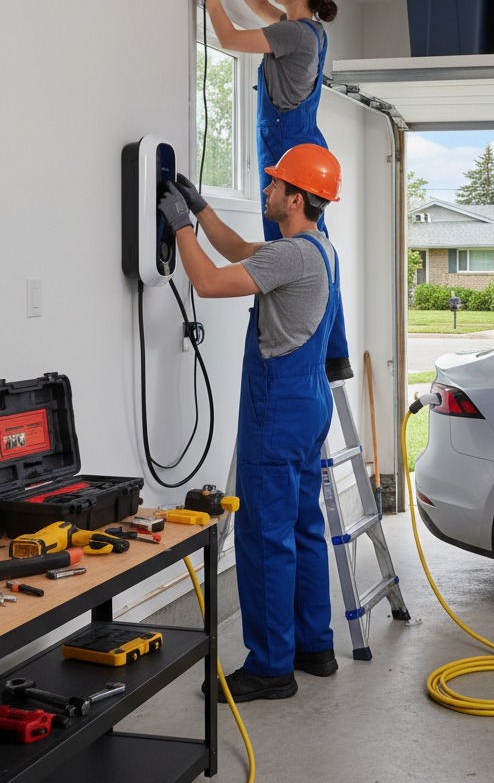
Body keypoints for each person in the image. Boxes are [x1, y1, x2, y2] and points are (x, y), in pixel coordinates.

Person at [158, 143, 343, 701]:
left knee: (265, 537)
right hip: (309, 404)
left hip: (278, 410)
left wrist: (180, 231)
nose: (266, 191)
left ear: (297, 198)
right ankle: (315, 647)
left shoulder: (292, 257)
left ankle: (269, 667)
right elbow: (237, 249)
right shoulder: (316, 248)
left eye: (274, 185)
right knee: (304, 527)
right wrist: (200, 208)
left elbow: (211, 283)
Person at [187, 0, 351, 380]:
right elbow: (260, 5)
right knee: (310, 253)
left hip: (288, 150)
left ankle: (323, 348)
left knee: (291, 251)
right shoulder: (306, 30)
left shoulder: (293, 35)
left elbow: (228, 38)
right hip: (298, 144)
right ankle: (334, 352)